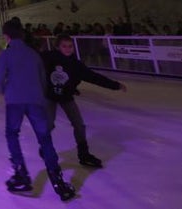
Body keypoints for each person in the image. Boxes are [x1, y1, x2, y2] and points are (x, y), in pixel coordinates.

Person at [0, 18, 75, 201]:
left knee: (12, 134)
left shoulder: (6, 55)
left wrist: (5, 91)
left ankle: (21, 174)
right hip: (35, 101)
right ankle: (58, 181)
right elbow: (43, 78)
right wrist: (38, 95)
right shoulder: (33, 54)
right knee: (44, 138)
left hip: (15, 101)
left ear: (6, 36)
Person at [42, 33, 127, 168]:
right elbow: (31, 62)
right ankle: (45, 147)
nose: (68, 49)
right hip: (49, 96)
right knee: (49, 125)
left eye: (70, 46)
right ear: (57, 47)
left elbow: (93, 77)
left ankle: (84, 154)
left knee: (79, 125)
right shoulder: (48, 58)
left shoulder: (76, 65)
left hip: (66, 97)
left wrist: (115, 85)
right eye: (64, 46)